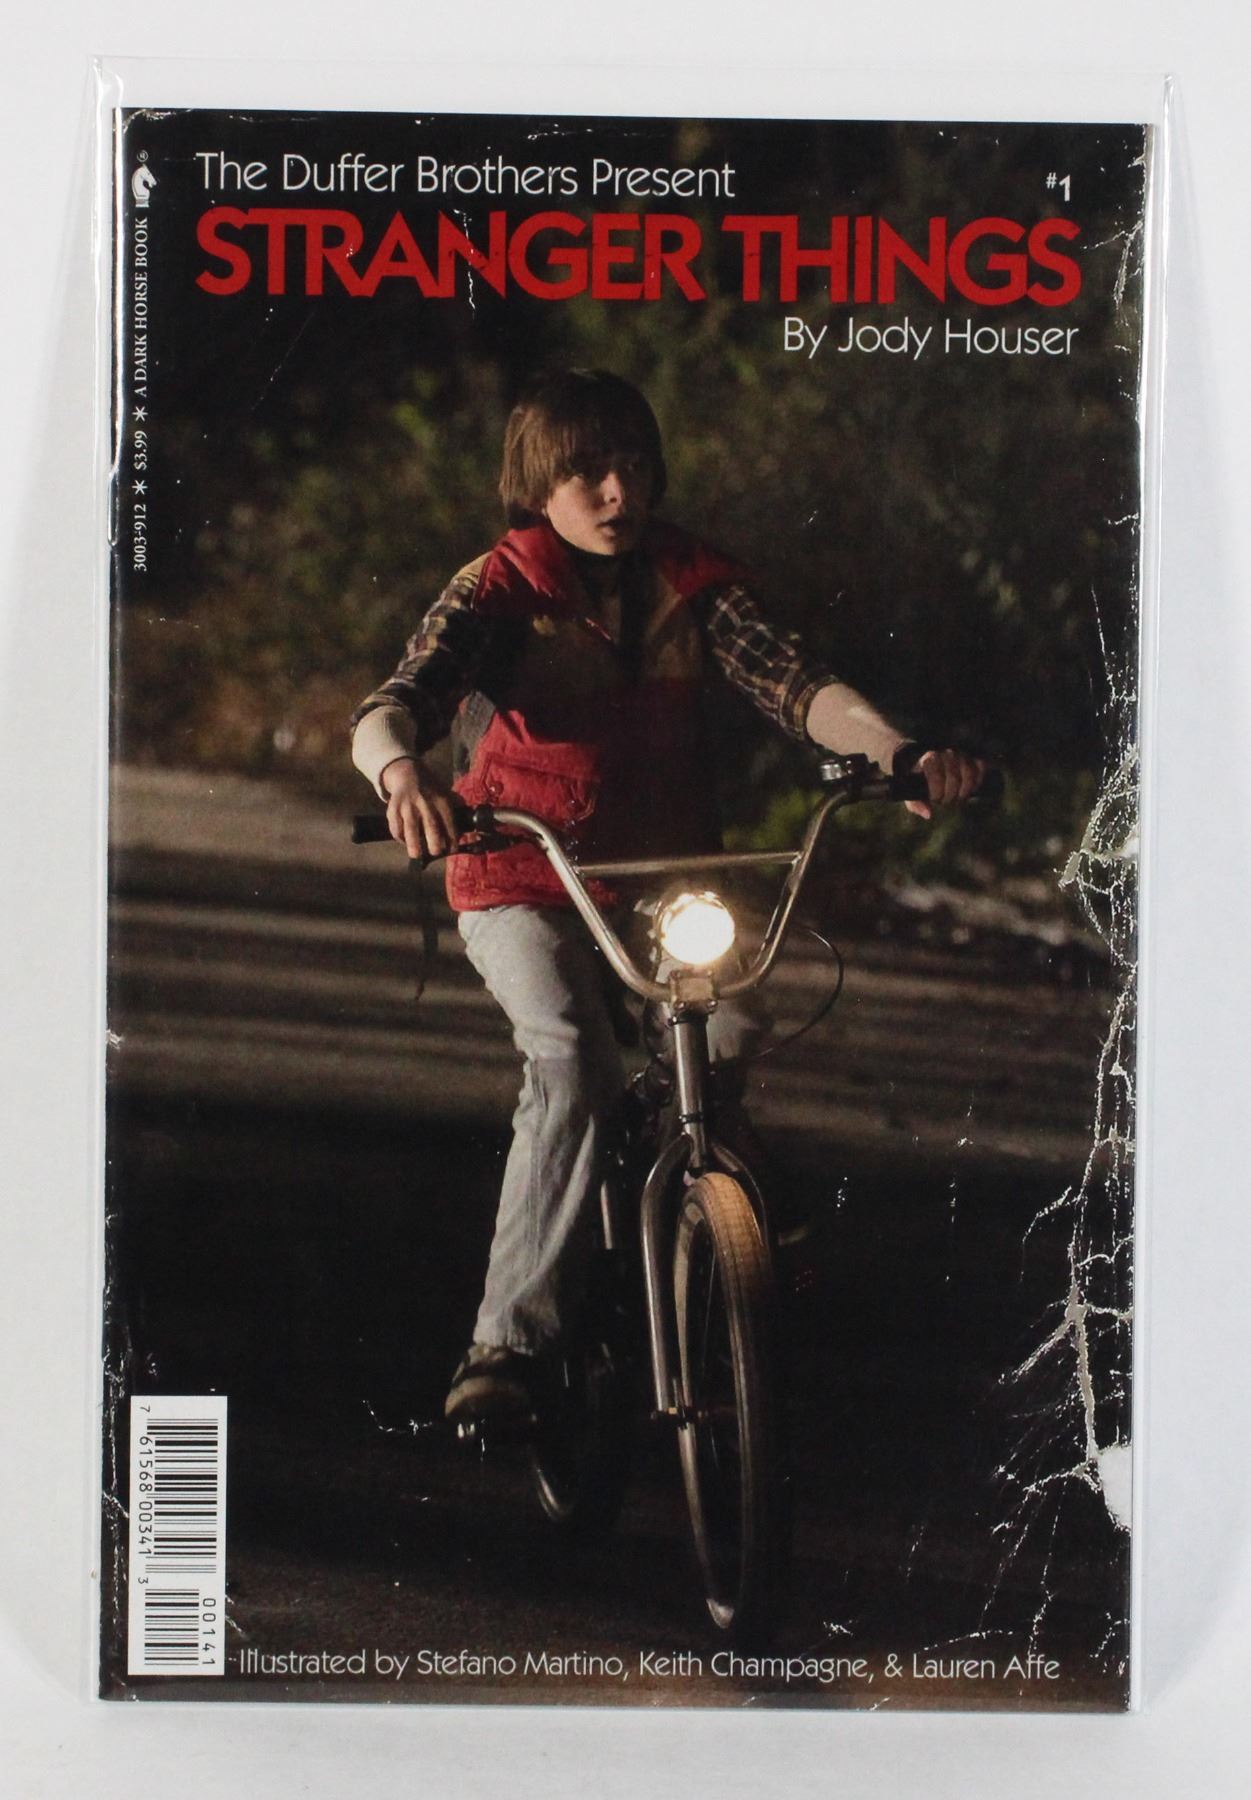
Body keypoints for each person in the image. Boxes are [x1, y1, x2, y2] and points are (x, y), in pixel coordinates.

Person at [352, 368, 983, 1426]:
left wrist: (897, 751)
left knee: (730, 1023)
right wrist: (402, 775)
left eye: (633, 468)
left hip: (664, 881)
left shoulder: (693, 586)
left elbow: (796, 684)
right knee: (570, 1059)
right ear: (537, 489)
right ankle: (508, 1343)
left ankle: (702, 1198)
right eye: (588, 474)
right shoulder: (501, 588)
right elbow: (395, 702)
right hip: (524, 875)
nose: (617, 494)